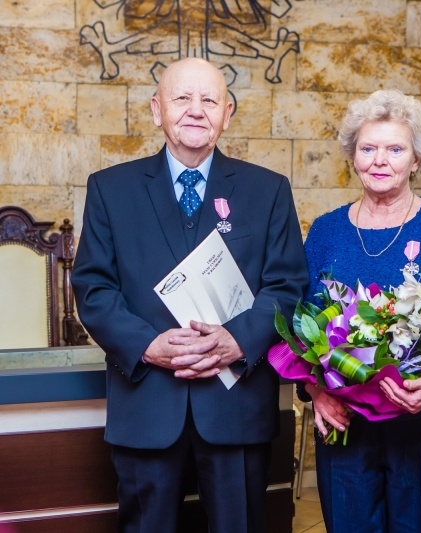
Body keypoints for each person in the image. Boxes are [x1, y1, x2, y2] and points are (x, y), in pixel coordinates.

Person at [72, 57, 308, 533]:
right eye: (181, 98)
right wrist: (146, 345)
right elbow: (93, 288)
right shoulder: (110, 190)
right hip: (146, 405)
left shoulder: (269, 191)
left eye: (209, 100)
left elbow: (288, 286)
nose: (195, 110)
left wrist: (237, 341)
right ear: (157, 110)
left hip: (235, 405)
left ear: (228, 113)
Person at [300, 89, 421, 532]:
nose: (380, 160)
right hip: (346, 423)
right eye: (369, 148)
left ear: (416, 159)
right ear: (353, 157)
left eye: (395, 149)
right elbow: (302, 323)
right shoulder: (326, 231)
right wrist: (316, 393)